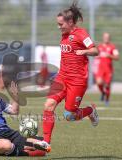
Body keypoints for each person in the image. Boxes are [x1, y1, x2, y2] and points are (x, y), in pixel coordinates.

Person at [42, 2, 99, 144]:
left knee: (69, 116)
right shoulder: (64, 34)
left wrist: (84, 51)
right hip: (62, 77)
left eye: (61, 24)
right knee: (48, 105)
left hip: (77, 81)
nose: (58, 27)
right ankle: (45, 143)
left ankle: (90, 111)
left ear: (70, 22)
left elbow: (95, 50)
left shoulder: (81, 34)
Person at [95, 32, 119, 106]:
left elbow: (117, 57)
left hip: (108, 69)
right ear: (103, 38)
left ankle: (107, 100)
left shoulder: (113, 47)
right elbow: (96, 55)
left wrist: (109, 55)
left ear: (109, 38)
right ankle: (103, 92)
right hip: (100, 68)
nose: (106, 38)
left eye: (107, 37)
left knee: (107, 85)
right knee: (99, 82)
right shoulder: (99, 47)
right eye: (105, 37)